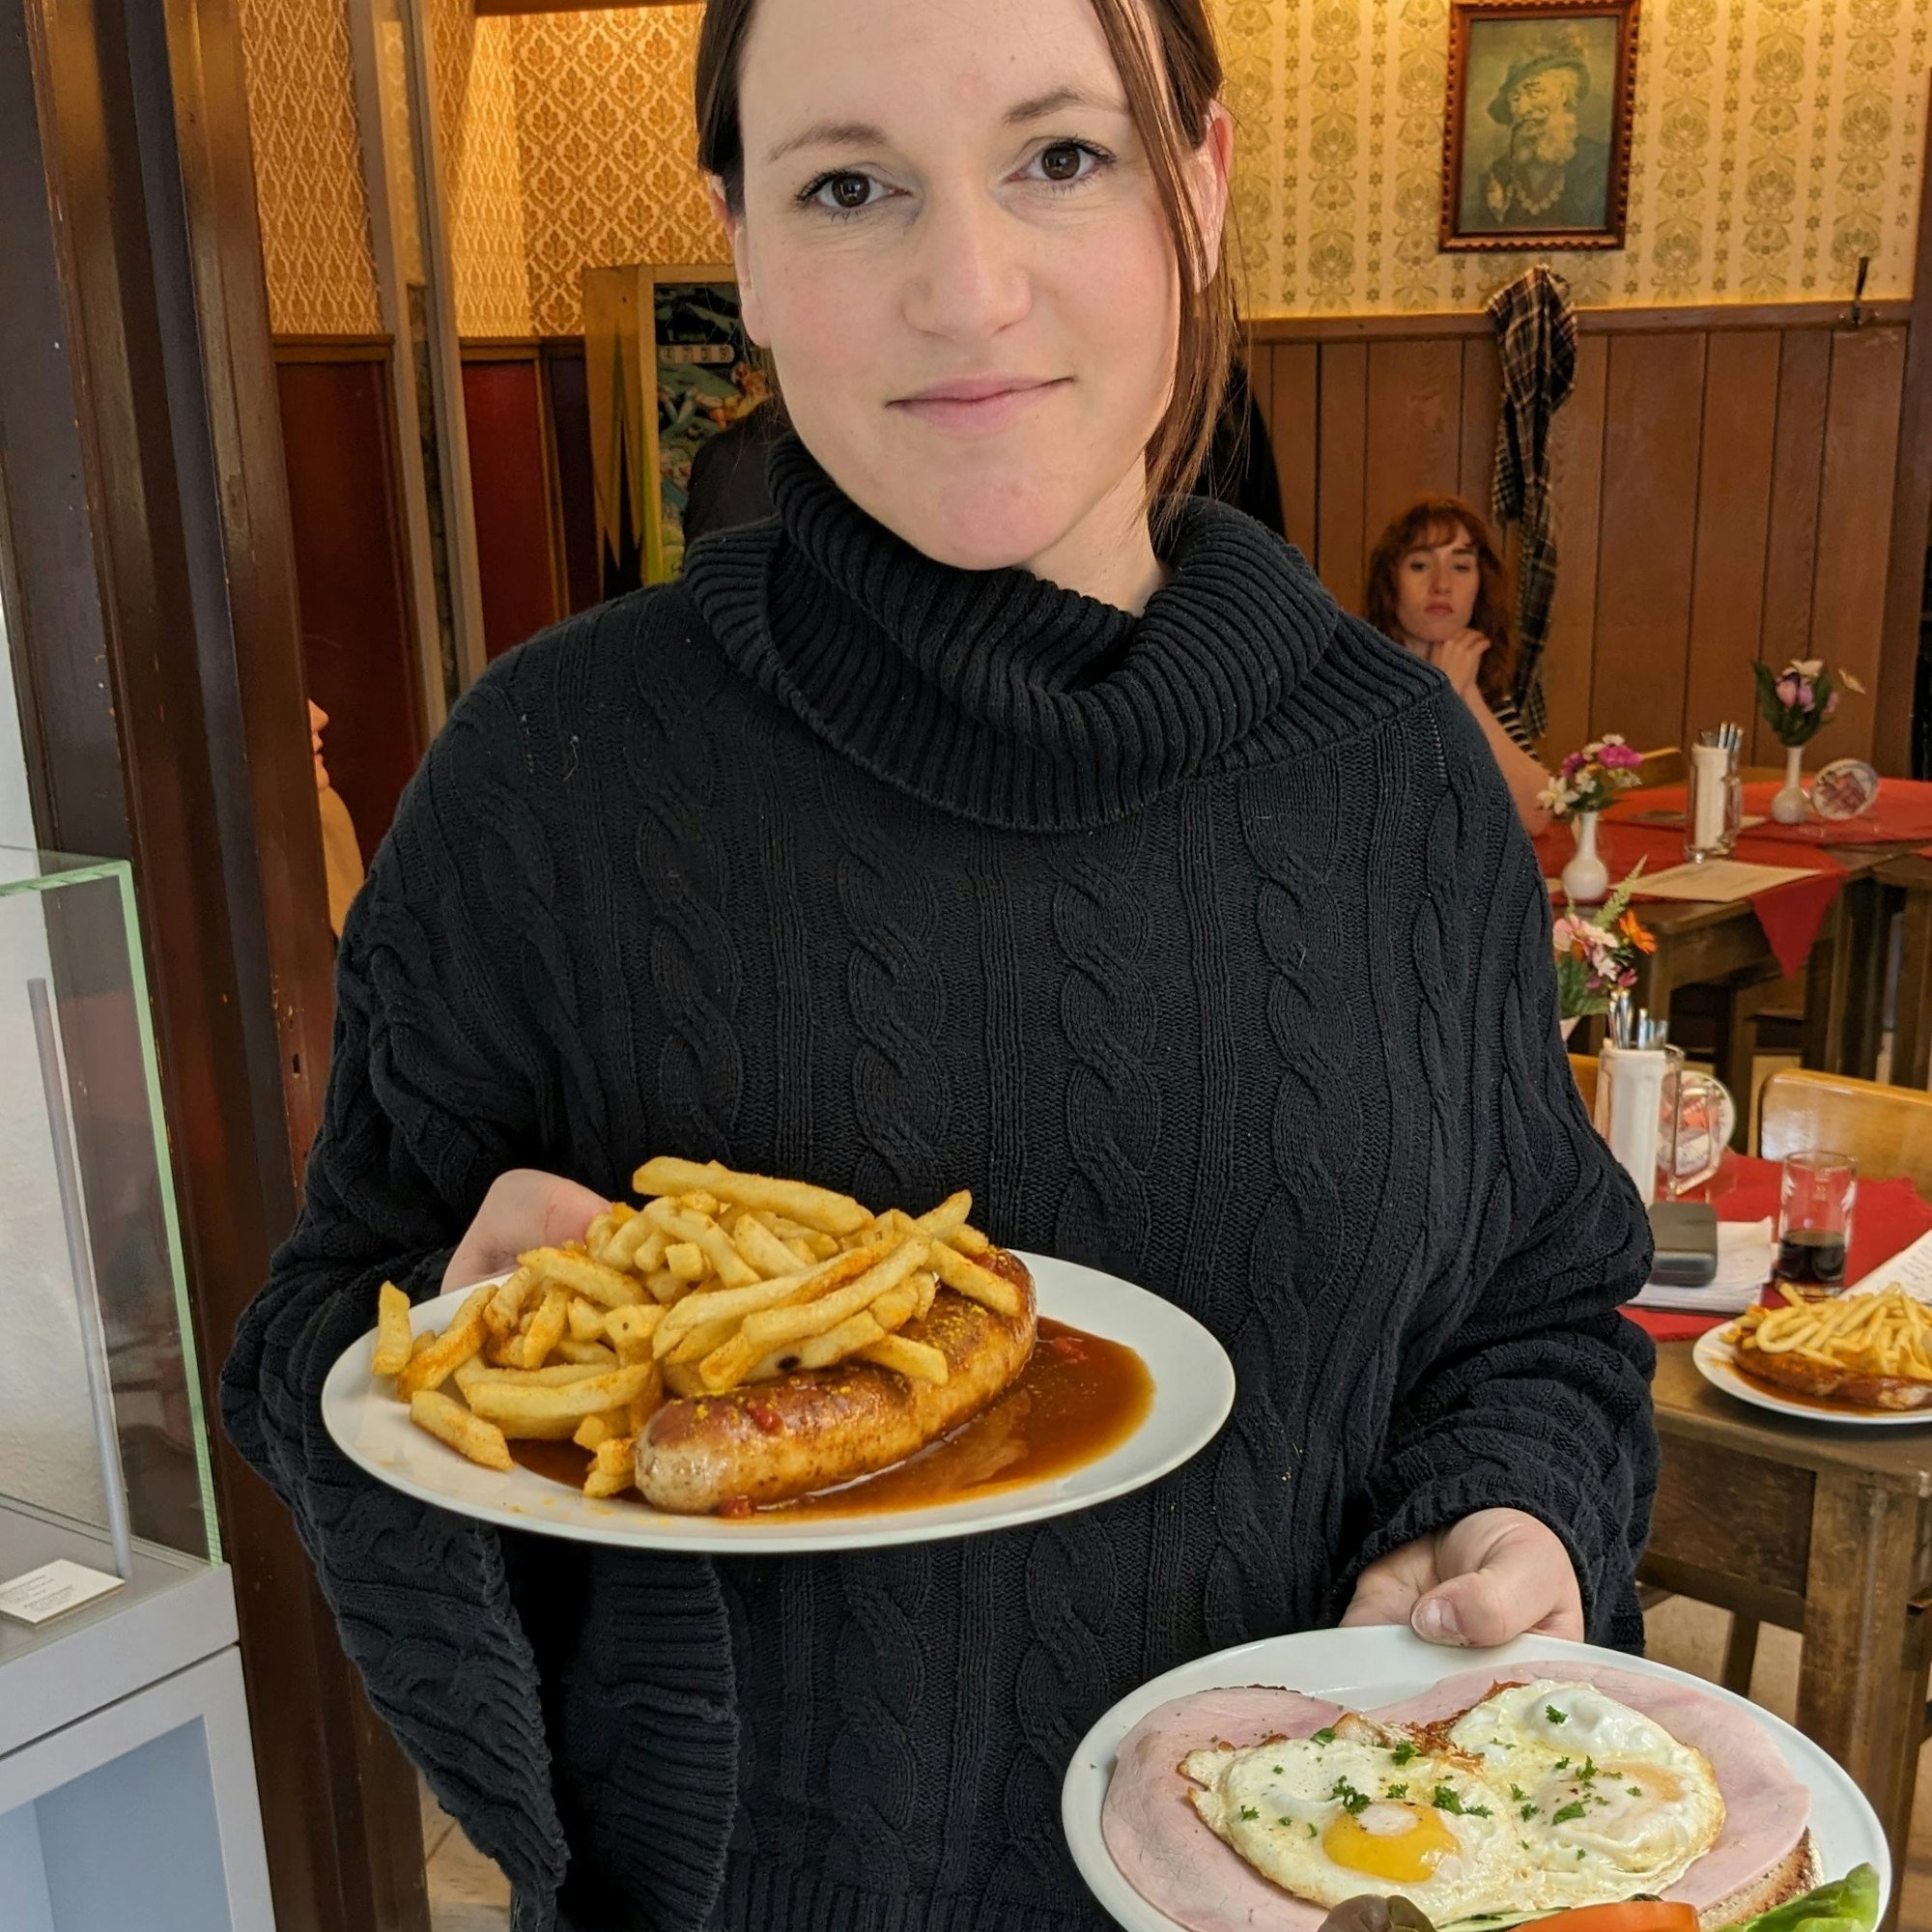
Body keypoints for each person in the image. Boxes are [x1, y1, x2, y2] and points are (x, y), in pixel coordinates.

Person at [221, 2, 1656, 1928]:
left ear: (1198, 190)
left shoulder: (1398, 773)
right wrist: (476, 1329)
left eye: (1060, 156)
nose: (964, 290)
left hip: (1295, 1877)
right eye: (847, 187)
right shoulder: (548, 775)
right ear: (741, 247)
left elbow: (1534, 1306)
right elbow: (321, 1327)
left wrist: (1509, 1514)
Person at [1365, 495, 1553, 835]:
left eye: (1461, 567)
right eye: (1420, 565)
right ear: (1391, 582)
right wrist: (1441, 699)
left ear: (1481, 585)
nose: (1441, 585)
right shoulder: (1359, 679)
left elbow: (1538, 812)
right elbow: (1393, 819)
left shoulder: (1477, 673)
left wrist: (1467, 697)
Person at [1467, 36, 1611, 234]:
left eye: (1534, 92)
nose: (1523, 109)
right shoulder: (1497, 175)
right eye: (1516, 98)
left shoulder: (1599, 163)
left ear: (1563, 94)